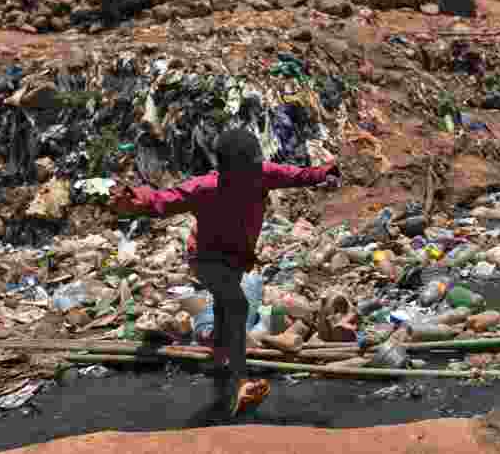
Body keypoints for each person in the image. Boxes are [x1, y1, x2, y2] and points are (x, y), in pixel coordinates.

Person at [109, 128, 340, 417]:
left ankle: (219, 359)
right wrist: (135, 200)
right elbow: (165, 200)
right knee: (238, 304)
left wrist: (323, 173)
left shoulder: (262, 174)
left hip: (235, 258)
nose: (255, 170)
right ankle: (240, 380)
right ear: (230, 168)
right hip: (205, 259)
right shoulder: (207, 187)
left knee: (223, 305)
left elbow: (295, 175)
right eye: (249, 166)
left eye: (256, 164)